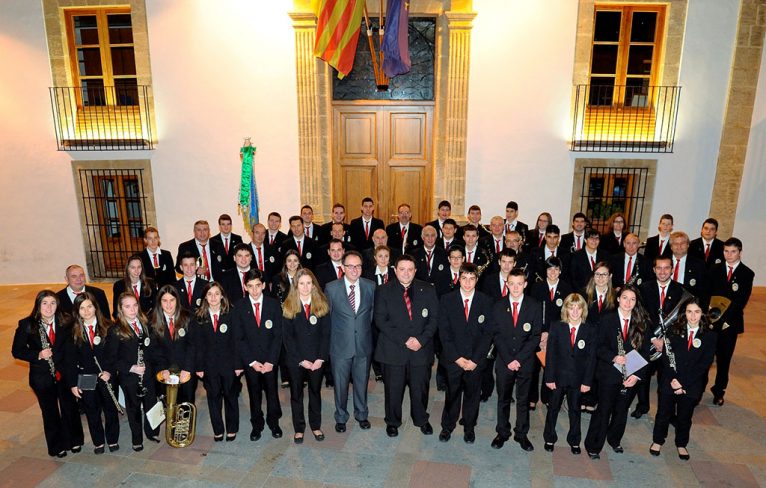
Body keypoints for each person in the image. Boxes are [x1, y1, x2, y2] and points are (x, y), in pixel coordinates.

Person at [12, 290, 83, 458]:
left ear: (57, 305)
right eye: (45, 303)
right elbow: (17, 351)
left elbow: (71, 351)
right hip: (42, 376)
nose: (49, 307)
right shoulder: (27, 324)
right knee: (50, 412)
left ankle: (74, 440)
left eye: (52, 303)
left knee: (69, 408)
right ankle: (57, 446)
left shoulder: (66, 321)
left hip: (64, 374)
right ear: (38, 305)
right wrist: (38, 355)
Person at [374, 254, 439, 437]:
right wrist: (405, 339)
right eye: (402, 269)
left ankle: (421, 419)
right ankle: (393, 422)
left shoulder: (427, 289)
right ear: (394, 270)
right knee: (393, 390)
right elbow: (380, 320)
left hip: (421, 349)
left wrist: (421, 340)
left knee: (420, 389)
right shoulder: (384, 290)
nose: (406, 273)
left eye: (410, 269)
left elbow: (434, 319)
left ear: (415, 271)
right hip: (394, 350)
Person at [583, 285, 651, 459]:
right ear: (618, 299)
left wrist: (635, 376)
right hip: (609, 373)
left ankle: (614, 440)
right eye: (625, 298)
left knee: (621, 410)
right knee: (604, 409)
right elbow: (598, 347)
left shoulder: (641, 321)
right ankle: (593, 444)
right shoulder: (607, 320)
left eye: (632, 299)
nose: (628, 302)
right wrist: (613, 357)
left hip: (631, 374)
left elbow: (645, 352)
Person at [650, 298, 716, 461]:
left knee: (685, 416)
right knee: (663, 413)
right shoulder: (673, 331)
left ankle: (681, 443)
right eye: (689, 312)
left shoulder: (710, 336)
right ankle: (658, 440)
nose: (693, 316)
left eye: (697, 312)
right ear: (684, 314)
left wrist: (683, 383)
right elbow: (666, 357)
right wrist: (673, 379)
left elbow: (704, 364)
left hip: (691, 384)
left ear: (703, 314)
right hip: (669, 380)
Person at [437, 263, 493, 444]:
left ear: (477, 280)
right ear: (458, 279)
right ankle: (447, 426)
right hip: (454, 359)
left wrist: (475, 360)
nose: (468, 283)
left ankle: (469, 427)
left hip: (475, 361)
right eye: (464, 278)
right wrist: (457, 358)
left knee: (472, 395)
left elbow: (488, 334)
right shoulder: (447, 300)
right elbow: (444, 332)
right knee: (452, 394)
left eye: (472, 279)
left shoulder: (486, 301)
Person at [489, 269, 542, 451]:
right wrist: (509, 359)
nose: (516, 287)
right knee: (503, 398)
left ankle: (521, 434)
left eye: (519, 283)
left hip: (525, 362)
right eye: (512, 283)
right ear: (507, 284)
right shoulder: (498, 306)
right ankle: (502, 432)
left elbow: (535, 337)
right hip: (504, 361)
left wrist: (518, 359)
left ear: (525, 284)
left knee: (523, 399)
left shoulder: (534, 306)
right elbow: (496, 334)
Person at [630, 255, 687, 419]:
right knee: (643, 375)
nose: (663, 272)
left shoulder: (680, 290)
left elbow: (681, 320)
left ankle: (667, 412)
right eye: (659, 268)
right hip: (649, 340)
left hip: (669, 343)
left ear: (672, 269)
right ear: (654, 270)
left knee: (667, 378)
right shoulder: (644, 289)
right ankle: (643, 405)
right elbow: (640, 316)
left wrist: (667, 341)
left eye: (666, 268)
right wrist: (653, 339)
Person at [325, 251, 376, 432]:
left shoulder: (370, 286)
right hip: (340, 346)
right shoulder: (331, 288)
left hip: (363, 345)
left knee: (362, 383)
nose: (354, 270)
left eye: (358, 266)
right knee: (340, 384)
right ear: (343, 268)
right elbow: (328, 318)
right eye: (350, 266)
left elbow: (370, 315)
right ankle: (341, 417)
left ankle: (362, 414)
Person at [65, 292, 120, 454]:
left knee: (110, 408)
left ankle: (112, 439)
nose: (87, 311)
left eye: (89, 306)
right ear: (77, 311)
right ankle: (98, 441)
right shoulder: (73, 332)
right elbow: (70, 361)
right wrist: (73, 383)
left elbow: (115, 354)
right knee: (91, 409)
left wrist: (109, 371)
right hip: (85, 377)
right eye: (82, 308)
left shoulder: (109, 327)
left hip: (106, 375)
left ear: (95, 307)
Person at [542, 293, 597, 454]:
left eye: (578, 308)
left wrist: (587, 382)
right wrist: (549, 377)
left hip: (578, 379)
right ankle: (549, 438)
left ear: (583, 310)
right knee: (553, 409)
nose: (574, 312)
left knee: (575, 410)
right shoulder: (557, 327)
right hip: (558, 377)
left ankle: (574, 440)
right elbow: (550, 354)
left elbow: (591, 358)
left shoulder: (589, 330)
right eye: (571, 308)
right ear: (565, 309)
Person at [233, 269, 284, 441]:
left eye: (257, 286)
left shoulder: (273, 304)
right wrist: (252, 362)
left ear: (263, 285)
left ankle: (274, 422)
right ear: (245, 287)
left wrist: (271, 361)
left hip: (270, 359)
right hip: (252, 361)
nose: (254, 291)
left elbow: (278, 335)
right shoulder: (239, 306)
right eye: (250, 286)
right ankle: (257, 424)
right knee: (254, 393)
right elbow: (239, 338)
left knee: (272, 392)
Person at [282, 269, 331, 443]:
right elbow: (287, 338)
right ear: (296, 286)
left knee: (315, 392)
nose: (305, 287)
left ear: (314, 285)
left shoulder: (322, 305)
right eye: (301, 283)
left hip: (317, 360)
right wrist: (301, 360)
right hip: (296, 360)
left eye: (308, 283)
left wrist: (320, 358)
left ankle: (316, 425)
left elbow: (326, 334)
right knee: (296, 394)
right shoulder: (288, 306)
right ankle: (299, 428)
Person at [107, 292, 160, 451]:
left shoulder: (145, 324)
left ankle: (152, 432)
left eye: (135, 305)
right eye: (127, 306)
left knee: (151, 404)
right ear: (121, 309)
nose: (132, 309)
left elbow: (153, 348)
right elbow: (112, 358)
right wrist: (132, 368)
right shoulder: (115, 330)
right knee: (133, 408)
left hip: (148, 374)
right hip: (130, 376)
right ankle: (137, 438)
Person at [193, 281, 243, 442]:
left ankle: (232, 428)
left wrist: (238, 364)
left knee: (231, 396)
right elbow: (197, 344)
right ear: (205, 297)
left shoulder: (231, 313)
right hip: (209, 366)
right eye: (209, 294)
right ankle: (218, 429)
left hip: (229, 365)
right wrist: (199, 366)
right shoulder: (199, 317)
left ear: (222, 295)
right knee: (213, 398)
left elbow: (237, 341)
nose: (213, 297)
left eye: (216, 294)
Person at [708, 237, 754, 406]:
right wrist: (712, 318)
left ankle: (719, 391)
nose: (729, 255)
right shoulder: (714, 269)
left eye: (733, 251)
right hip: (712, 321)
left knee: (724, 359)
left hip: (730, 323)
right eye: (726, 251)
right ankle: (698, 389)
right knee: (706, 357)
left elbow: (741, 300)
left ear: (740, 252)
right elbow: (708, 295)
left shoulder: (747, 274)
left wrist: (724, 320)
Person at [529, 256, 573, 410]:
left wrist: (550, 333)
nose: (552, 272)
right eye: (549, 268)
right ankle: (532, 397)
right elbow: (532, 312)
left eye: (556, 269)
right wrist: (540, 333)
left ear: (560, 271)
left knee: (552, 367)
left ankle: (548, 397)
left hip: (557, 335)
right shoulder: (536, 287)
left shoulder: (567, 288)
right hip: (538, 335)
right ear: (545, 270)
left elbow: (567, 315)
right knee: (533, 367)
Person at [150, 286, 197, 404]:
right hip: (165, 371)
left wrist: (187, 369)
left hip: (185, 370)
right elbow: (154, 349)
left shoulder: (188, 317)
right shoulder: (153, 321)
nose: (169, 305)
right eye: (164, 301)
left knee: (186, 405)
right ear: (159, 303)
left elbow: (193, 345)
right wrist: (162, 369)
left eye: (172, 300)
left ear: (177, 300)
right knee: (169, 406)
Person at [112, 254, 156, 319]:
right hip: (127, 321)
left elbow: (155, 306)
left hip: (148, 320)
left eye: (139, 267)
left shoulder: (150, 283)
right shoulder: (119, 285)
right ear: (128, 269)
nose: (136, 270)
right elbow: (116, 310)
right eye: (133, 267)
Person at [669, 231, 709, 304]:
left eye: (683, 243)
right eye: (676, 244)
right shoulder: (662, 262)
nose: (679, 246)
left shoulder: (699, 265)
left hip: (688, 305)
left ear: (688, 245)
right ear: (671, 246)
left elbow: (704, 291)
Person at [569, 229, 604, 294]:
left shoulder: (605, 256)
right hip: (581, 293)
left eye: (597, 238)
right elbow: (573, 279)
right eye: (591, 238)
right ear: (585, 240)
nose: (594, 241)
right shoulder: (576, 256)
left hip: (600, 293)